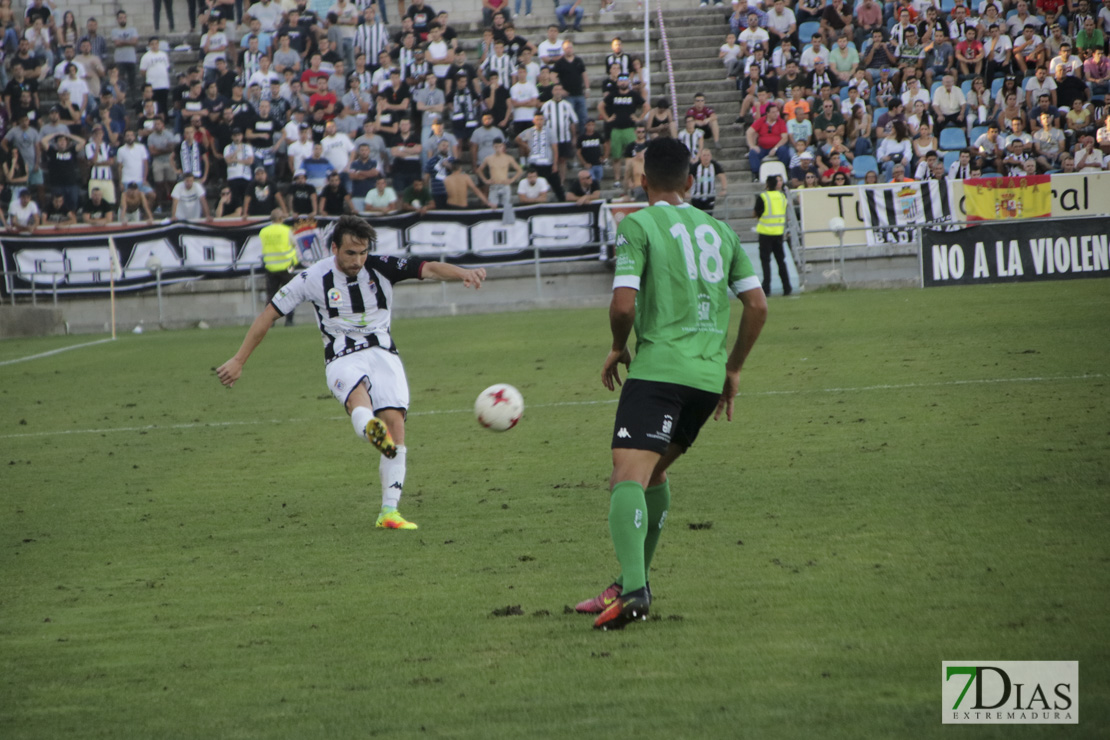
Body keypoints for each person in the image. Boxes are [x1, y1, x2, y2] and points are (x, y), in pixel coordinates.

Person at [577, 137, 767, 630]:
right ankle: (628, 582)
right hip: (706, 379)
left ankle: (636, 590)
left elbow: (622, 304)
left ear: (643, 183)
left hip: (660, 371)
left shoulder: (637, 224)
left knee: (626, 480)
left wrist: (619, 346)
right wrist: (733, 367)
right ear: (689, 182)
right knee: (654, 476)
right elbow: (758, 305)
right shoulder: (721, 231)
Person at [216, 216, 488, 531]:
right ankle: (369, 429)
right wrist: (239, 359)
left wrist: (464, 274)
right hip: (342, 356)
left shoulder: (381, 266)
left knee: (396, 424)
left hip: (383, 354)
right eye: (350, 253)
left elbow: (426, 268)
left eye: (362, 253)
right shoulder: (311, 277)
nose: (357, 260)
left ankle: (389, 512)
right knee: (358, 399)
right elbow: (268, 315)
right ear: (334, 248)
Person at [260, 208, 298, 327]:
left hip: (270, 267)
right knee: (289, 294)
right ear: (281, 219)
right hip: (286, 267)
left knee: (271, 295)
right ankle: (289, 320)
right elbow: (294, 244)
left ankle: (269, 321)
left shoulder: (264, 231)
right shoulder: (286, 230)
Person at [754, 175, 791, 297]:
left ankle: (766, 288)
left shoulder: (763, 197)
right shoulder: (782, 196)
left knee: (766, 262)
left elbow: (756, 212)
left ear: (767, 184)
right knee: (781, 261)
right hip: (779, 233)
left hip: (765, 233)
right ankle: (787, 287)